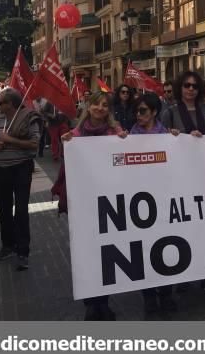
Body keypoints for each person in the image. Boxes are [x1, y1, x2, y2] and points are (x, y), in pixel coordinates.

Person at [59, 91, 127, 320]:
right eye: (96, 104)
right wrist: (66, 143)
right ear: (88, 107)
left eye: (105, 105)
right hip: (84, 204)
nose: (100, 108)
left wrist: (124, 141)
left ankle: (104, 301)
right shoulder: (75, 135)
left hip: (109, 202)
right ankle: (91, 302)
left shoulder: (114, 132)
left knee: (108, 253)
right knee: (87, 252)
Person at [160, 72, 205, 295]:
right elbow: (160, 138)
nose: (191, 89)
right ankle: (185, 274)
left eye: (195, 86)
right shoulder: (170, 112)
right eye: (186, 85)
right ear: (180, 88)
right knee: (185, 228)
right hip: (181, 179)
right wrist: (172, 135)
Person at [126, 93, 178, 314]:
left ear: (155, 112)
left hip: (163, 200)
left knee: (166, 247)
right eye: (137, 111)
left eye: (143, 111)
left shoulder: (167, 135)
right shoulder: (128, 137)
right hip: (140, 203)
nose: (139, 115)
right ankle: (148, 296)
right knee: (144, 250)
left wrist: (179, 139)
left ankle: (166, 294)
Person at [0, 88, 43, 272]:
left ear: (10, 103)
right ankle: (8, 245)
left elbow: (34, 144)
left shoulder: (28, 118)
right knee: (3, 210)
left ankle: (23, 252)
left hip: (21, 168)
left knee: (20, 210)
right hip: (1, 169)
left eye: (1, 102)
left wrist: (9, 139)